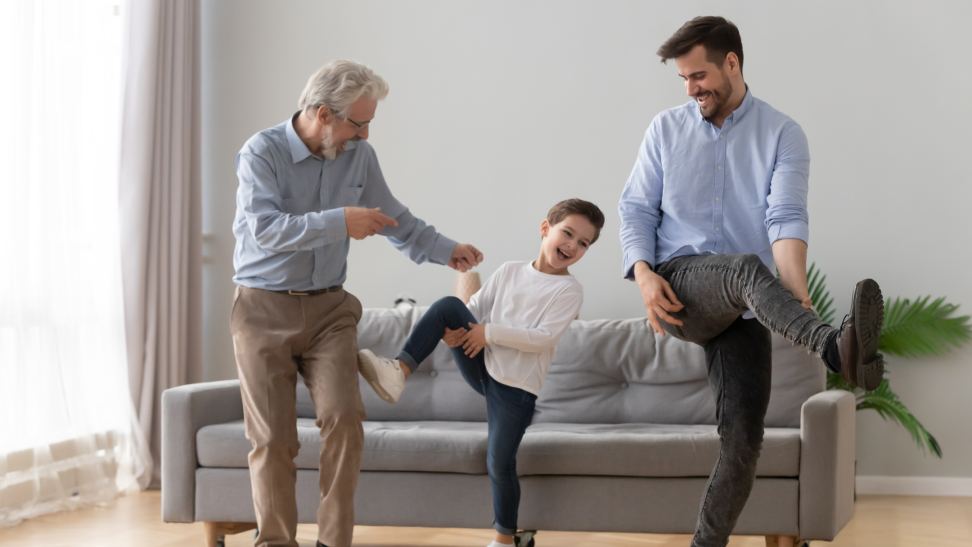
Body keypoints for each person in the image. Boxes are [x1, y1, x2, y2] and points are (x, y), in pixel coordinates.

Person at [618, 16, 885, 547]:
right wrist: (643, 274)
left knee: (743, 442)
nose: (691, 89)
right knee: (743, 268)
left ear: (732, 63)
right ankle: (835, 348)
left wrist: (796, 293)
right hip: (681, 288)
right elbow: (636, 209)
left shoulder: (782, 134)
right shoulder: (665, 130)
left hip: (743, 307)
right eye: (684, 80)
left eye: (698, 76)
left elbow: (785, 218)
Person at [230, 59, 483, 547]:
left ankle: (334, 542)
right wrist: (340, 221)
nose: (365, 135)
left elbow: (394, 218)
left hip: (330, 311)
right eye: (358, 123)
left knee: (345, 419)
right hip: (262, 310)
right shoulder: (262, 152)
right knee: (272, 438)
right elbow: (265, 230)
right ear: (323, 114)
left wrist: (446, 250)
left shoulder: (359, 156)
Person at [358, 198, 605, 547]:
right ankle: (399, 369)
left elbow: (542, 338)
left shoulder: (568, 290)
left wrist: (486, 333)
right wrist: (453, 332)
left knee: (499, 462)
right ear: (545, 228)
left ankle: (505, 539)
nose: (572, 245)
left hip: (516, 389)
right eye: (567, 233)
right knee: (448, 306)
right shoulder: (509, 272)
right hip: (482, 364)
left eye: (583, 243)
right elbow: (471, 310)